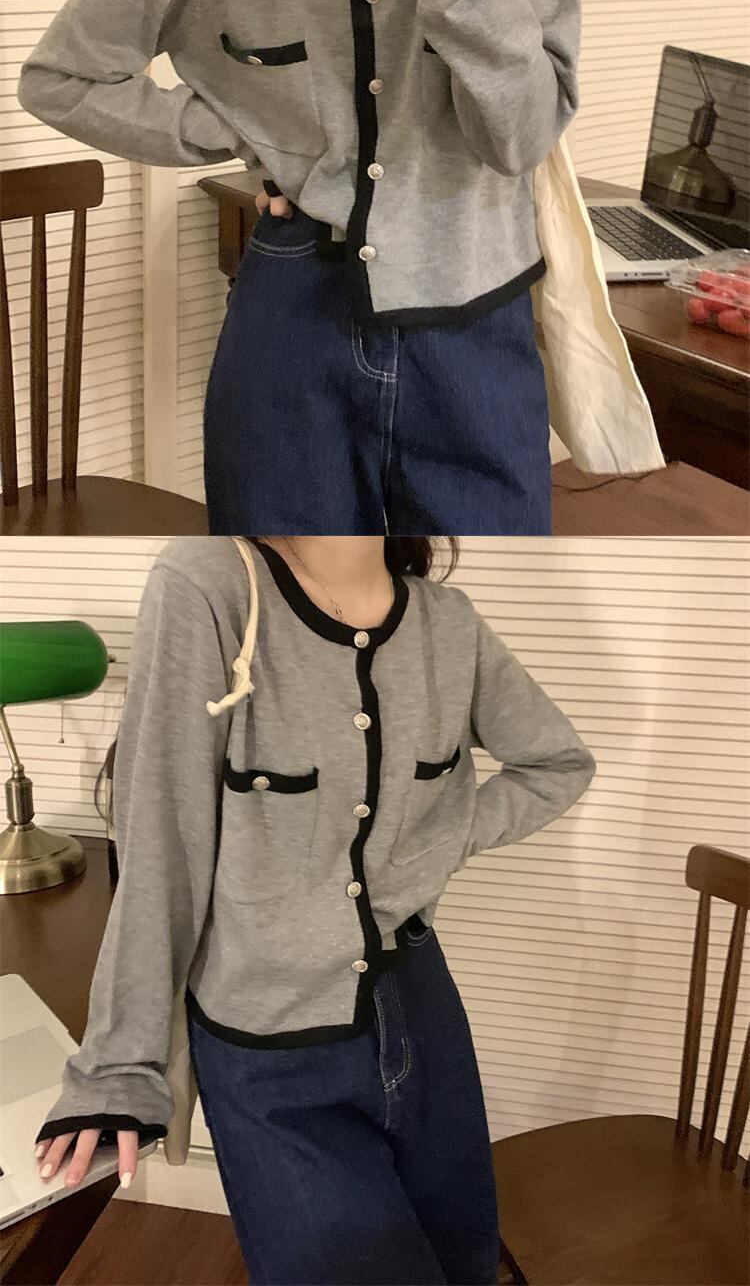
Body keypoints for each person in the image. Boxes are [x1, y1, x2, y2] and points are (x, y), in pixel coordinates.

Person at [34, 533, 595, 1286]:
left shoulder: (448, 622)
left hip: (422, 1012)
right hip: (269, 1048)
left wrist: (440, 838)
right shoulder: (209, 585)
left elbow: (556, 763)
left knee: (463, 1263)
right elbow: (161, 842)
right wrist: (117, 1065)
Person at [18, 0, 581, 533]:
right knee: (280, 572)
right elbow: (62, 79)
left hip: (474, 321)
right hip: (290, 319)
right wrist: (247, 134)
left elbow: (519, 137)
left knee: (490, 572)